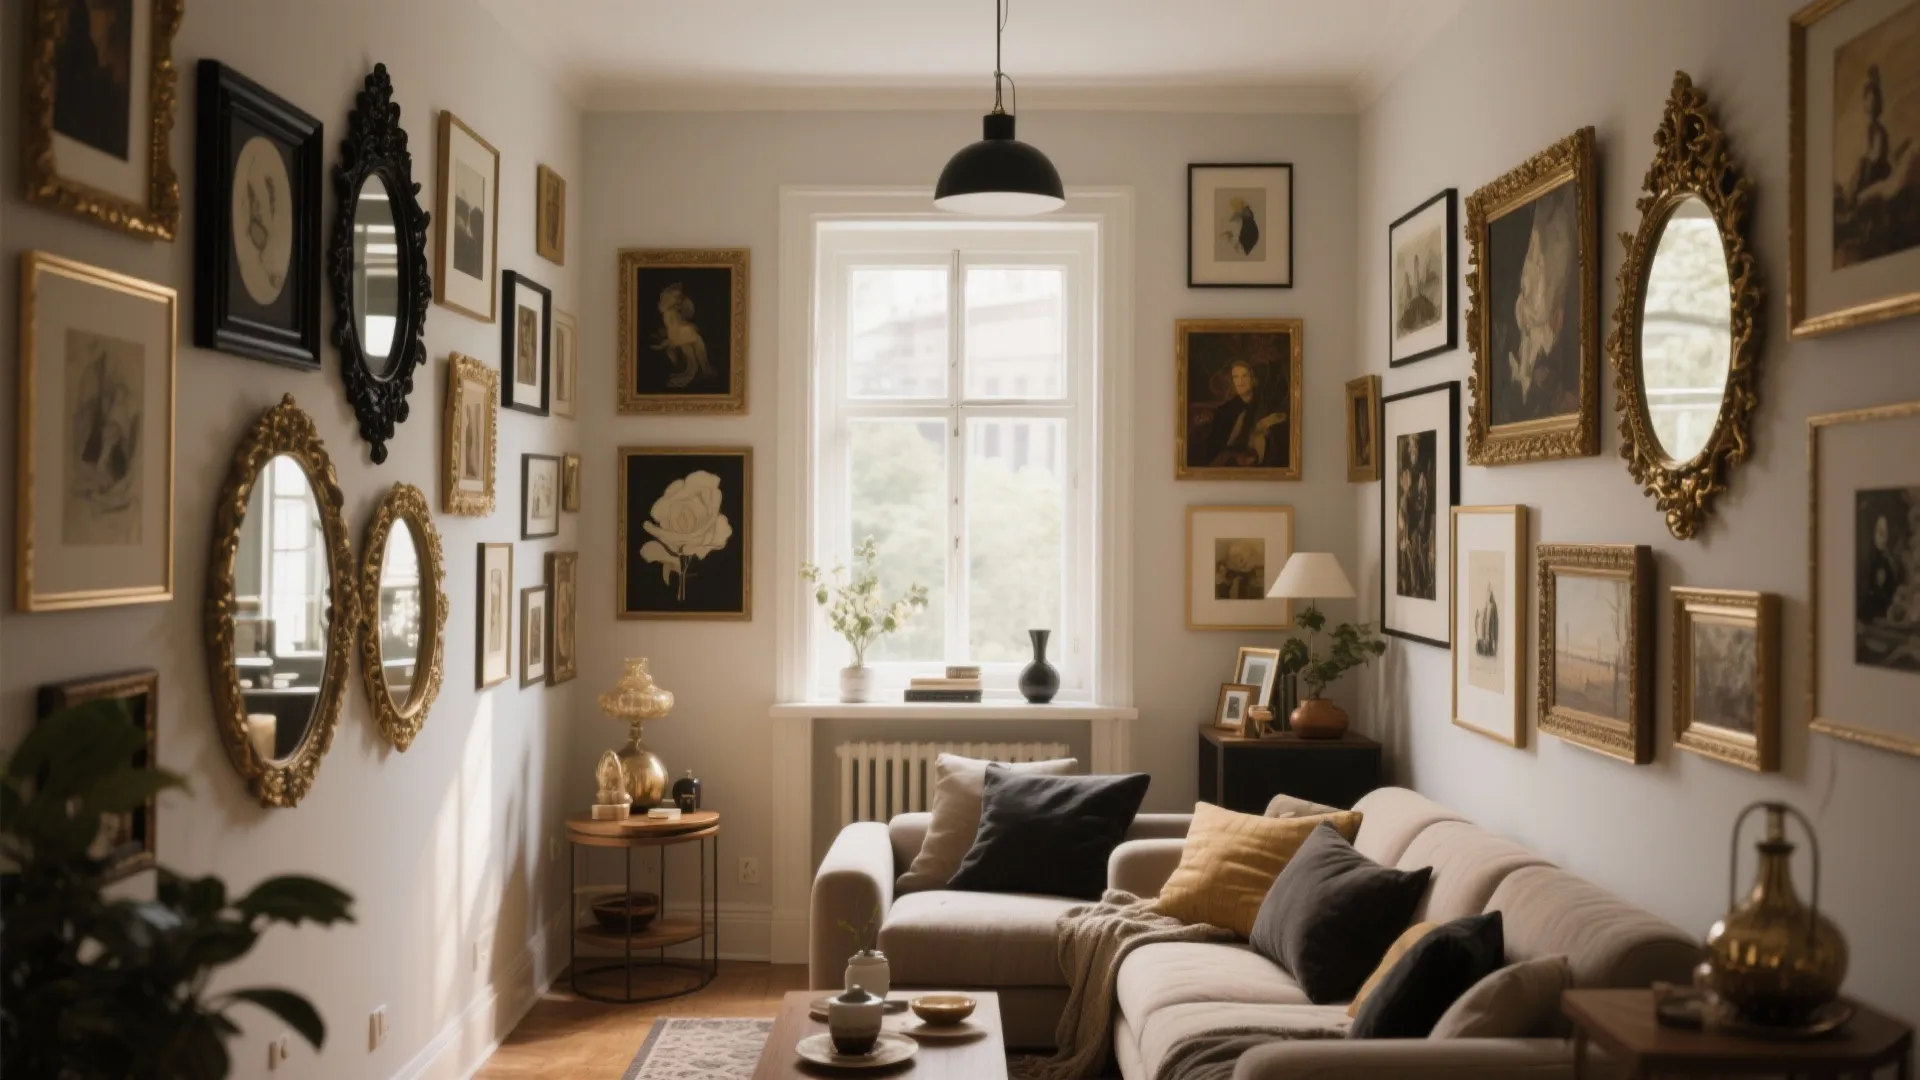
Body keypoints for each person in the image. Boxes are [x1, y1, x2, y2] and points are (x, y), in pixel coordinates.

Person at [1195, 359, 1288, 469]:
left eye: (1244, 376)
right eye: (1236, 377)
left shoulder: (1265, 404)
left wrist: (1262, 426)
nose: (1240, 382)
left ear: (1253, 379)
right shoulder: (1226, 410)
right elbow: (1216, 446)